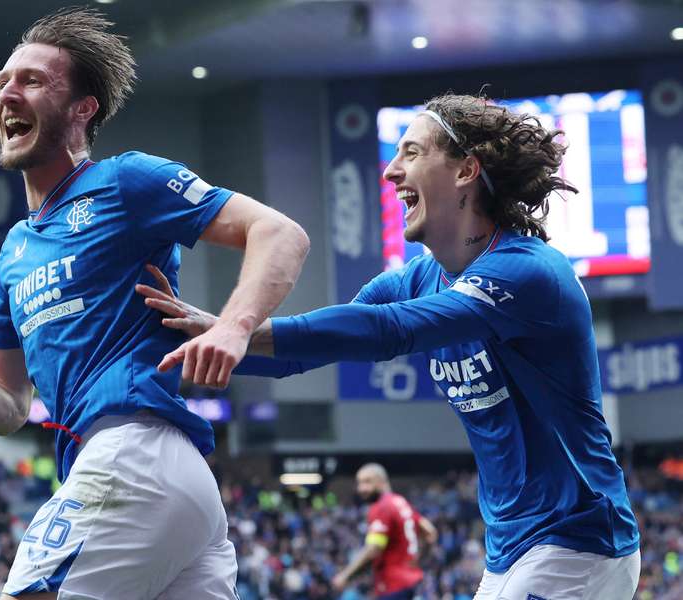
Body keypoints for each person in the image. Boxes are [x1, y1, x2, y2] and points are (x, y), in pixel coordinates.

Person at [138, 94, 641, 600]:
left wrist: (233, 328)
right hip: (511, 547)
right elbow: (309, 349)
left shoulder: (528, 273)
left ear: (467, 169)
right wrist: (188, 341)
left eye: (412, 153)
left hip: (580, 542)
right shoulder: (417, 279)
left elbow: (385, 330)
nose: (391, 172)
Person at [0, 7, 309, 600]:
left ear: (83, 109)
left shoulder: (124, 181)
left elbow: (280, 233)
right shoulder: (13, 252)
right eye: (3, 82)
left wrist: (234, 328)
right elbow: (8, 405)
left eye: (32, 81)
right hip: (154, 480)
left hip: (134, 455)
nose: (8, 92)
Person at [331, 463, 436, 600]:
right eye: (360, 483)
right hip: (413, 582)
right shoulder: (401, 502)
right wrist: (416, 561)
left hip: (394, 586)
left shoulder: (381, 507)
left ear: (381, 481)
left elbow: (374, 548)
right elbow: (430, 532)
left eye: (367, 482)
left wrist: (345, 575)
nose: (361, 488)